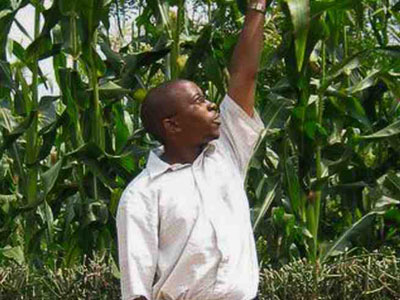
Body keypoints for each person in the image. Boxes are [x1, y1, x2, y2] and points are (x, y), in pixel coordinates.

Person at [116, 1, 270, 299]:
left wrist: (257, 6)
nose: (212, 104)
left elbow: (244, 76)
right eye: (198, 100)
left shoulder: (227, 150)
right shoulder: (141, 196)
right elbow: (137, 291)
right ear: (172, 125)